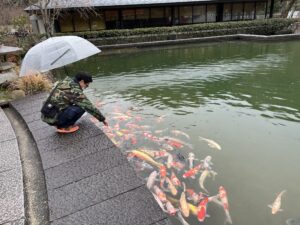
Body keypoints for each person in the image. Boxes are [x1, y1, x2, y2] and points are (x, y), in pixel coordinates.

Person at [41, 72, 108, 133]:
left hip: (46, 114)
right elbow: (89, 106)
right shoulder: (75, 91)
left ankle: (59, 122)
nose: (86, 87)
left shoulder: (64, 82)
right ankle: (64, 127)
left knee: (75, 103)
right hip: (53, 118)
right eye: (86, 85)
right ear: (81, 81)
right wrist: (102, 119)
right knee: (82, 107)